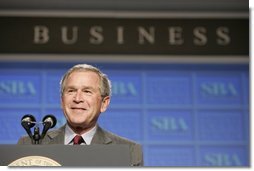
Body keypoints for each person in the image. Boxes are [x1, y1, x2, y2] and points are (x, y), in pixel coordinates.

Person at [18, 63, 143, 166]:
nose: (78, 98)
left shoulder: (129, 150)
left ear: (104, 103)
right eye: (71, 91)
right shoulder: (29, 144)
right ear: (62, 101)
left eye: (87, 91)